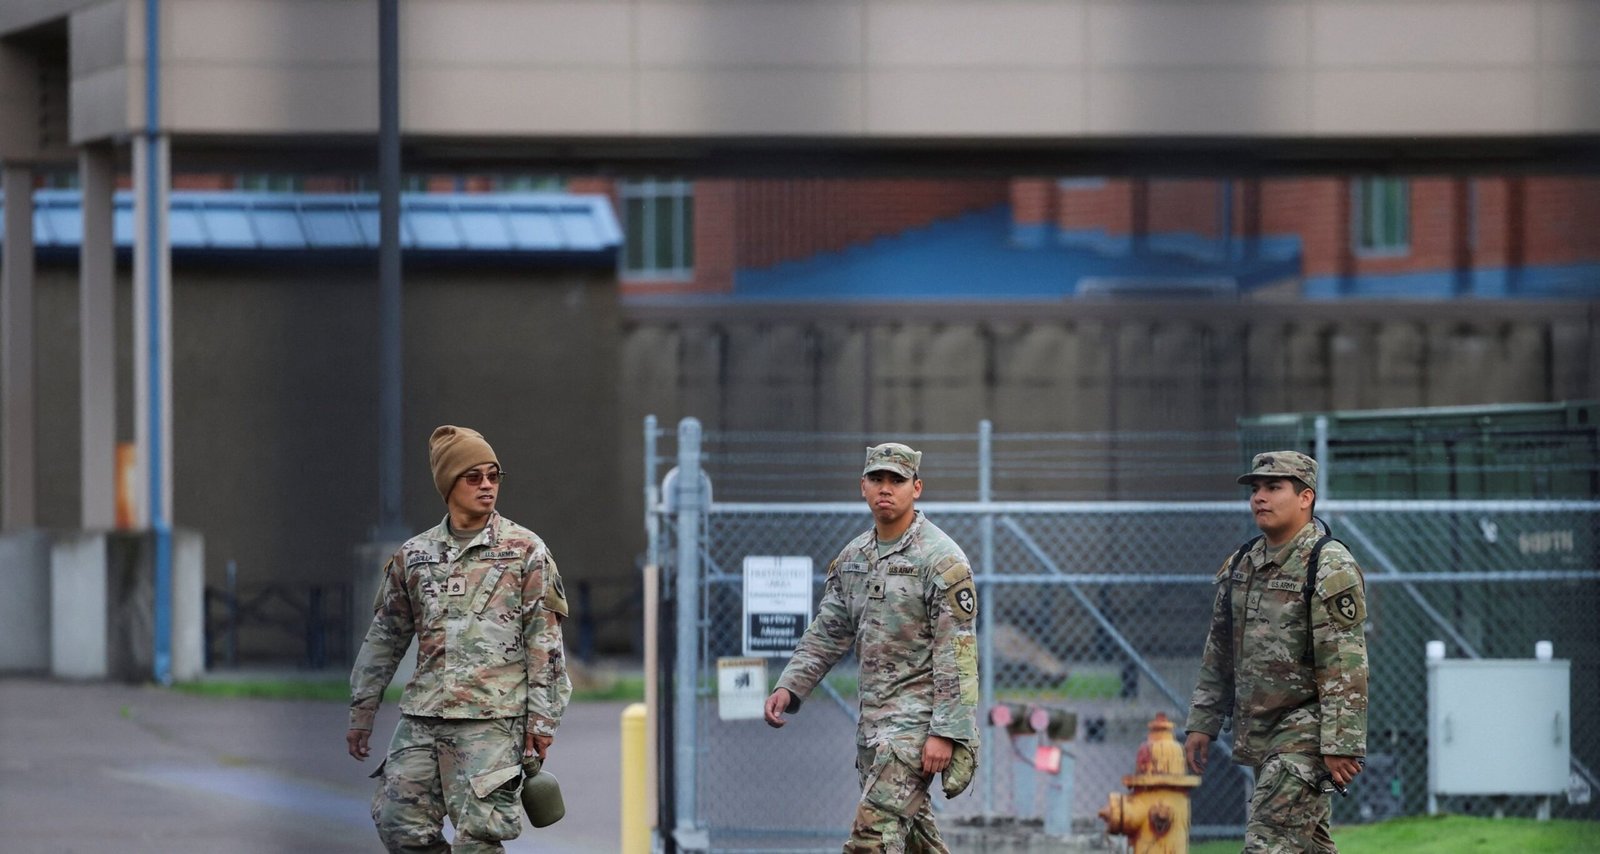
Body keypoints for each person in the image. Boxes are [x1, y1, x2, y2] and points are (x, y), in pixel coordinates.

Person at [347, 425, 572, 853]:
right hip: (423, 716)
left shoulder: (524, 551)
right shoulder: (415, 556)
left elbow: (545, 644)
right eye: (474, 476)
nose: (487, 485)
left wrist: (542, 722)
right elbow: (385, 637)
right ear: (449, 483)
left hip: (492, 720)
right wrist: (363, 709)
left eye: (493, 475)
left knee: (479, 839)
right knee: (398, 824)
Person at [764, 442, 980, 854]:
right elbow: (827, 633)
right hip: (872, 730)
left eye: (896, 480)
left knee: (871, 838)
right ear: (862, 486)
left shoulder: (941, 560)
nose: (886, 488)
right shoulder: (853, 559)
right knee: (916, 842)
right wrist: (790, 686)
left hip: (916, 731)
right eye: (876, 479)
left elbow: (957, 655)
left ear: (916, 488)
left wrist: (945, 733)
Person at [1184, 451, 1368, 853]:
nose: (1259, 498)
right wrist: (1203, 721)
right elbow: (1219, 652)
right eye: (1256, 489)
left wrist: (1341, 744)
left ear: (1305, 497)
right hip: (1261, 733)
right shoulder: (1242, 563)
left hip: (1307, 733)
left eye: (1273, 487)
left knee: (1267, 842)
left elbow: (1344, 663)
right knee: (1307, 846)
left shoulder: (1327, 565)